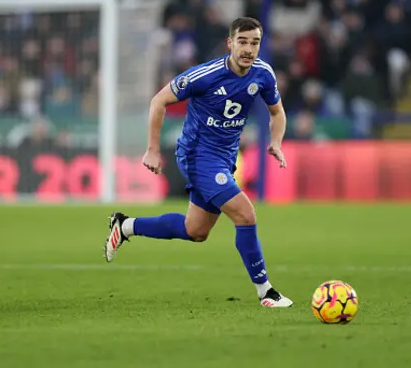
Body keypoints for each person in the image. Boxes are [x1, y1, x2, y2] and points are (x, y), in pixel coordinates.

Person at [103, 17, 293, 308]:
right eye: (242, 41)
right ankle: (266, 292)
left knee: (197, 231)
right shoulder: (205, 75)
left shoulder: (263, 75)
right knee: (245, 214)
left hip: (225, 157)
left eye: (254, 43)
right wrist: (152, 150)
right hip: (197, 156)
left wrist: (276, 142)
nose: (248, 49)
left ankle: (125, 226)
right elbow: (158, 101)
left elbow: (277, 113)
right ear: (230, 43)